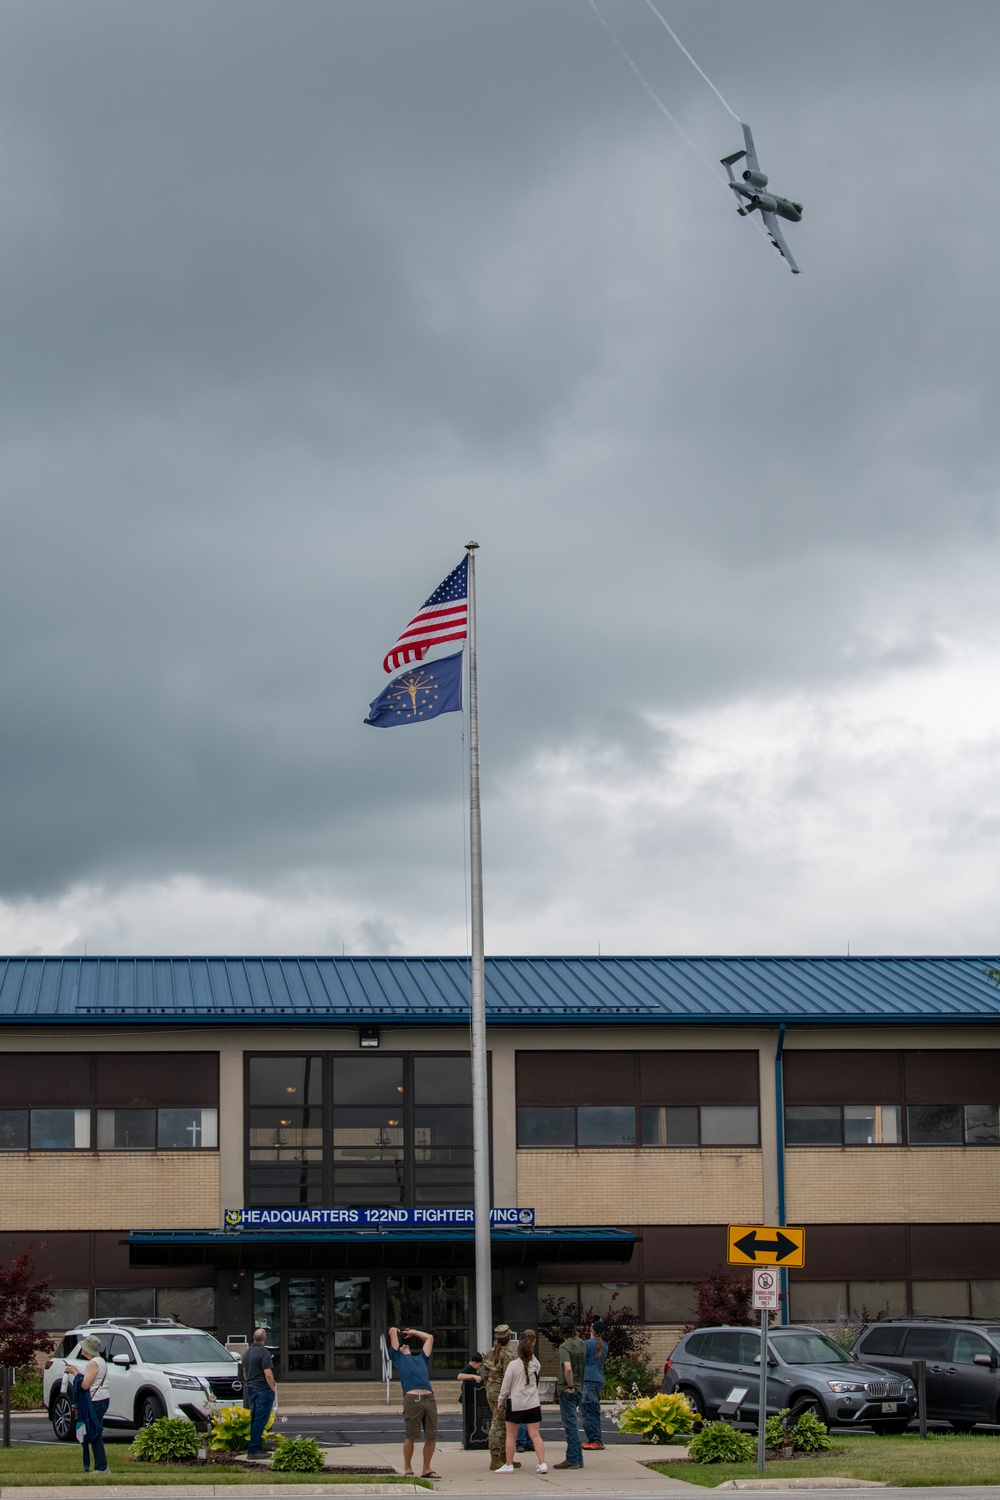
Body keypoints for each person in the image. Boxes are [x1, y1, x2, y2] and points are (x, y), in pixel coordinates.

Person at [388, 1324, 440, 1480]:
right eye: (402, 1346)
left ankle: (427, 1469)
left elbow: (429, 1338)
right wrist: (395, 1331)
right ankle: (408, 1468)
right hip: (413, 1399)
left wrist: (414, 1332)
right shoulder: (398, 1358)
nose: (405, 1346)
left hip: (429, 1398)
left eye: (407, 1345)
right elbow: (391, 1332)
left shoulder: (421, 1359)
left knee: (431, 1435)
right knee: (411, 1435)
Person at [495, 1329, 547, 1475]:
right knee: (535, 1435)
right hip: (533, 1404)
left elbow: (506, 1386)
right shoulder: (536, 1364)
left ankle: (509, 1464)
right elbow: (532, 1361)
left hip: (516, 1403)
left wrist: (500, 1401)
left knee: (511, 1436)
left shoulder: (513, 1365)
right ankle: (542, 1463)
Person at [65, 1334, 109, 1474]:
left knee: (95, 1433)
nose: (81, 1349)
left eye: (84, 1347)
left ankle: (101, 1467)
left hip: (95, 1401)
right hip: (102, 1398)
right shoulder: (101, 1361)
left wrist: (74, 1373)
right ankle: (101, 1466)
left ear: (88, 1349)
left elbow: (85, 1385)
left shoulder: (93, 1363)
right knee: (95, 1432)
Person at [482, 1323, 519, 1471]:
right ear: (508, 1336)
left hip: (491, 1389)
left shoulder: (490, 1352)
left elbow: (485, 1374)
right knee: (499, 1425)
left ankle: (505, 1457)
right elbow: (508, 1377)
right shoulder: (508, 1355)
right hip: (501, 1392)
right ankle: (496, 1458)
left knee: (502, 1424)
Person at [553, 1315, 587, 1470]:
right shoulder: (581, 1343)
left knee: (570, 1425)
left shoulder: (564, 1347)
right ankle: (578, 1458)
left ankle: (572, 1458)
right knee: (574, 1423)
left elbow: (567, 1367)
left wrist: (570, 1385)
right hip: (581, 1387)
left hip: (568, 1389)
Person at [242, 1327, 276, 1461]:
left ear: (253, 1338)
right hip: (263, 1389)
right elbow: (268, 1374)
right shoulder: (264, 1353)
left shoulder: (247, 1353)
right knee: (261, 1420)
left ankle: (255, 1446)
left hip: (251, 1388)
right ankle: (254, 1449)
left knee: (255, 1419)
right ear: (265, 1338)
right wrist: (272, 1388)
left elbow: (244, 1371)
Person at [581, 1317, 608, 1449]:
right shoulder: (605, 1346)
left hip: (588, 1379)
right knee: (594, 1410)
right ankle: (595, 1438)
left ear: (592, 1330)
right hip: (598, 1379)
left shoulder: (586, 1344)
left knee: (587, 1410)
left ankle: (595, 1440)